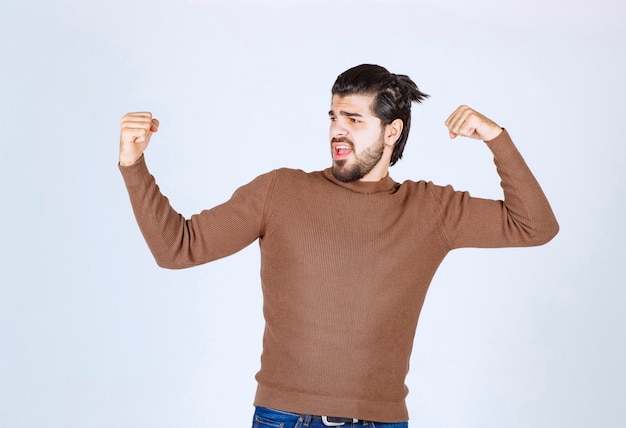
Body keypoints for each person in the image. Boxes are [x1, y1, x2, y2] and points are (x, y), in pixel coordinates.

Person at [118, 64, 559, 427]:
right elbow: (177, 247)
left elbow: (534, 226)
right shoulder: (281, 191)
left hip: (380, 420)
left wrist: (496, 138)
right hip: (284, 418)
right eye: (333, 116)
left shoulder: (430, 209)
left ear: (392, 132)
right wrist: (133, 164)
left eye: (354, 119)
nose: (337, 131)